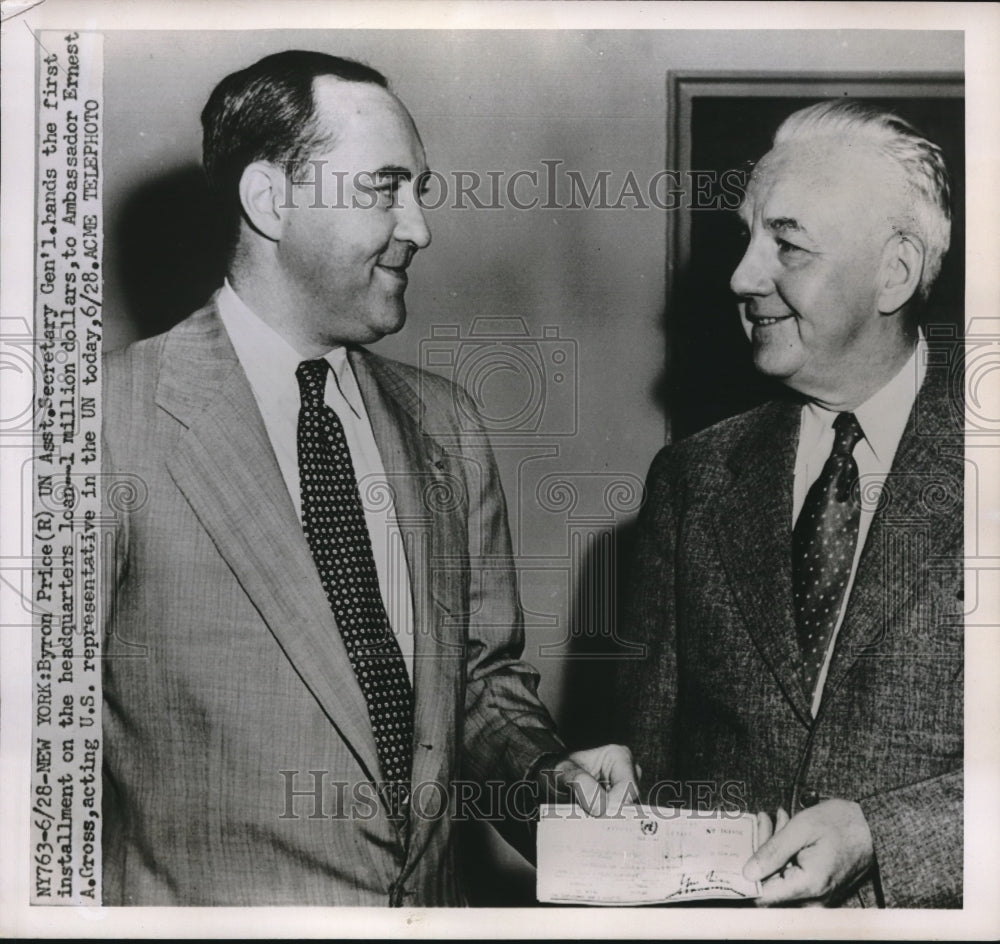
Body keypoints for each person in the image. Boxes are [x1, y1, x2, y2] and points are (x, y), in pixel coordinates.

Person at [101, 50, 635, 906]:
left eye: (417, 191)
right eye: (385, 188)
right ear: (271, 200)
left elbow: (475, 686)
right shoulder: (105, 425)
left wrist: (546, 780)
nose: (419, 227)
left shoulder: (446, 424)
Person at [619, 100, 962, 908]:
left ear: (895, 272)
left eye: (787, 243)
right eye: (746, 238)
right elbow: (654, 772)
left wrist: (883, 834)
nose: (741, 276)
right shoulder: (690, 480)